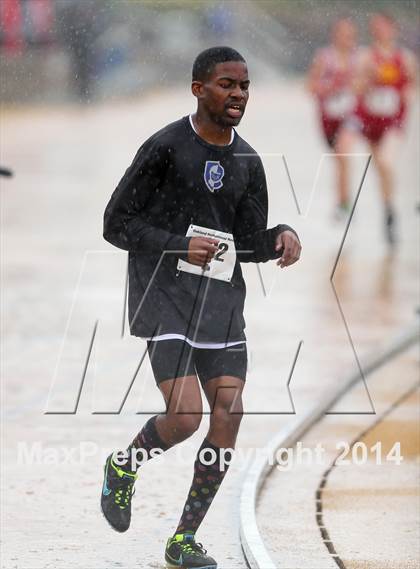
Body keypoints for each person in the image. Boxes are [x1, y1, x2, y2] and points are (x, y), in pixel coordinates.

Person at [101, 46, 301, 569]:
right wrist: (175, 245)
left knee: (229, 415)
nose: (238, 95)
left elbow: (247, 242)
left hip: (221, 304)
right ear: (198, 88)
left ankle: (183, 540)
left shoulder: (248, 161)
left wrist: (281, 236)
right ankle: (125, 465)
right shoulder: (164, 148)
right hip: (163, 295)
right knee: (186, 415)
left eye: (244, 86)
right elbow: (115, 223)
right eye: (226, 84)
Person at [337, 12, 416, 244]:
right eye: (376, 28)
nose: (380, 32)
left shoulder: (405, 58)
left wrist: (405, 93)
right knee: (374, 167)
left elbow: (412, 87)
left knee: (385, 162)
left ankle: (391, 211)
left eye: (384, 27)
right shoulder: (365, 57)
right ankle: (385, 209)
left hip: (393, 123)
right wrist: (368, 80)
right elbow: (355, 88)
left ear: (393, 29)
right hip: (370, 122)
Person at [307, 18, 359, 220]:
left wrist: (355, 85)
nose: (347, 38)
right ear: (334, 35)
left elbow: (366, 86)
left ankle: (344, 203)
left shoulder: (359, 58)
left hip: (351, 117)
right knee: (339, 160)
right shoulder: (324, 57)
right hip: (328, 119)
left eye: (350, 34)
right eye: (342, 33)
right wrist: (330, 87)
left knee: (344, 153)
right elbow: (310, 87)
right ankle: (341, 201)